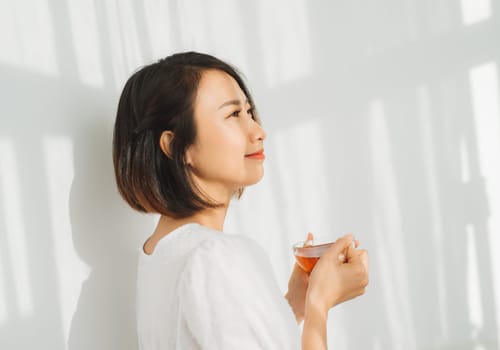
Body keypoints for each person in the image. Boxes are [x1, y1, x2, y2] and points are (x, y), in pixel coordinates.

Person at [112, 51, 369, 349]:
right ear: (177, 146)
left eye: (249, 112)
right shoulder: (216, 255)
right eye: (233, 115)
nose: (258, 131)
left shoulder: (158, 251)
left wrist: (293, 306)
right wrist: (318, 306)